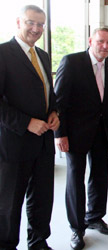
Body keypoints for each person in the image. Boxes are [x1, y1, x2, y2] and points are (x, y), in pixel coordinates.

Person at [54, 27, 108, 250]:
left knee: (100, 177)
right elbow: (59, 102)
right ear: (91, 40)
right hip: (74, 135)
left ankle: (95, 217)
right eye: (101, 41)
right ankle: (77, 228)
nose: (105, 46)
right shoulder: (71, 62)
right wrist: (59, 134)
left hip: (101, 133)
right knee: (75, 180)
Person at [0, 5, 59, 250]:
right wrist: (26, 123)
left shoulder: (43, 55)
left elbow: (48, 93)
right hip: (15, 143)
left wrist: (55, 112)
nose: (36, 29)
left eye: (41, 24)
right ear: (18, 22)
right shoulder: (3, 53)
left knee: (42, 197)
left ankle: (38, 241)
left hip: (44, 142)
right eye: (31, 23)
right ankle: (6, 244)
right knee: (10, 201)